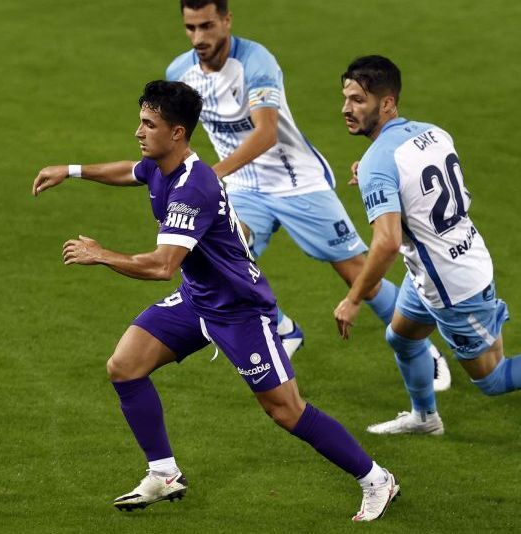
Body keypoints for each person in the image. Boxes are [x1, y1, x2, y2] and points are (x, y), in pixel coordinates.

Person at [33, 80, 399, 521]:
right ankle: (164, 473)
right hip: (198, 299)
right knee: (124, 367)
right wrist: (71, 170)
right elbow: (130, 170)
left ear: (177, 133)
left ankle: (376, 478)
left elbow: (162, 266)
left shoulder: (194, 187)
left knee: (285, 410)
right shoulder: (160, 166)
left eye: (149, 124)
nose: (139, 131)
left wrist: (100, 254)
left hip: (240, 311)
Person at [165, 0, 451, 389]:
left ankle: (423, 349)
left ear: (227, 20)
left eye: (207, 26)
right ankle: (282, 327)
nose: (199, 37)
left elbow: (266, 133)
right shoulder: (179, 72)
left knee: (358, 275)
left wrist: (211, 174)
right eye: (191, 28)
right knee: (213, 257)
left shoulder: (256, 62)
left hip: (298, 183)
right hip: (244, 188)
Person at [334, 55, 521, 435]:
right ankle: (425, 418)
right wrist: (371, 174)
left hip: (454, 287)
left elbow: (385, 244)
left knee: (493, 379)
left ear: (386, 103)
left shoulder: (377, 162)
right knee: (400, 337)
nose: (346, 109)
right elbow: (420, 186)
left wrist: (354, 299)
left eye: (357, 100)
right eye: (346, 98)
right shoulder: (433, 132)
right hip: (441, 266)